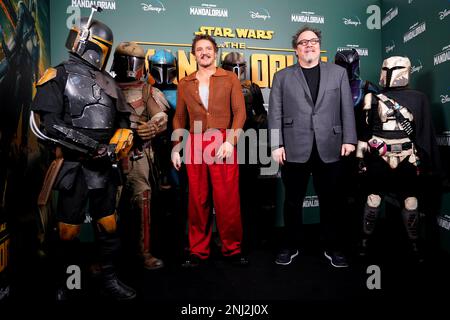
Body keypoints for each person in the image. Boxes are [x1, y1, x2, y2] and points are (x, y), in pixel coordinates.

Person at [31, 12, 136, 300]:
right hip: (74, 166)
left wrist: (116, 145)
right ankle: (69, 284)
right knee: (68, 230)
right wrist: (93, 148)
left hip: (104, 166)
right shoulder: (58, 74)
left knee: (108, 224)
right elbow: (49, 124)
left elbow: (124, 123)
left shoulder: (110, 83)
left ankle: (109, 279)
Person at [268, 26, 357, 268]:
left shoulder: (338, 73)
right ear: (296, 49)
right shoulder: (282, 76)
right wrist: (276, 144)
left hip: (330, 145)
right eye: (304, 42)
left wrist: (349, 139)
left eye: (314, 41)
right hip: (294, 147)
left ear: (319, 45)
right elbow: (275, 113)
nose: (309, 45)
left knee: (331, 201)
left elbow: (346, 108)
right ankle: (291, 245)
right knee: (293, 201)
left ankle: (332, 246)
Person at [171, 35, 247, 267]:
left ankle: (232, 249)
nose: (204, 52)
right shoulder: (185, 83)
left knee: (227, 199)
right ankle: (198, 251)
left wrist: (230, 141)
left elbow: (240, 113)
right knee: (198, 199)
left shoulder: (230, 78)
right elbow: (179, 117)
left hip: (223, 141)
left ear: (215, 52)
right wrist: (176, 148)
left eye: (208, 49)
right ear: (194, 54)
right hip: (194, 143)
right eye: (199, 49)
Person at [355, 56, 441, 261]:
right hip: (379, 158)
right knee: (374, 200)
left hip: (407, 159)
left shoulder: (418, 98)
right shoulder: (371, 98)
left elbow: (424, 133)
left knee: (410, 201)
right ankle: (365, 241)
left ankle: (413, 244)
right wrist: (360, 160)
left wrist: (430, 164)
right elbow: (364, 134)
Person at [111, 42, 168, 270]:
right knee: (106, 208)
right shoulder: (103, 87)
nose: (128, 67)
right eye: (124, 60)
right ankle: (106, 258)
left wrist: (153, 127)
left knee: (143, 201)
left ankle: (144, 252)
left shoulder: (147, 91)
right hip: (110, 156)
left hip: (138, 155)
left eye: (132, 62)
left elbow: (161, 116)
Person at [221, 52, 270, 253]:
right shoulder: (218, 87)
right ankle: (229, 238)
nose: (236, 70)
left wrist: (258, 120)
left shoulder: (252, 88)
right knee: (227, 194)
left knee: (250, 193)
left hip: (248, 145)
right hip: (226, 144)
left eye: (240, 66)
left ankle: (251, 237)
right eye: (233, 66)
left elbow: (261, 113)